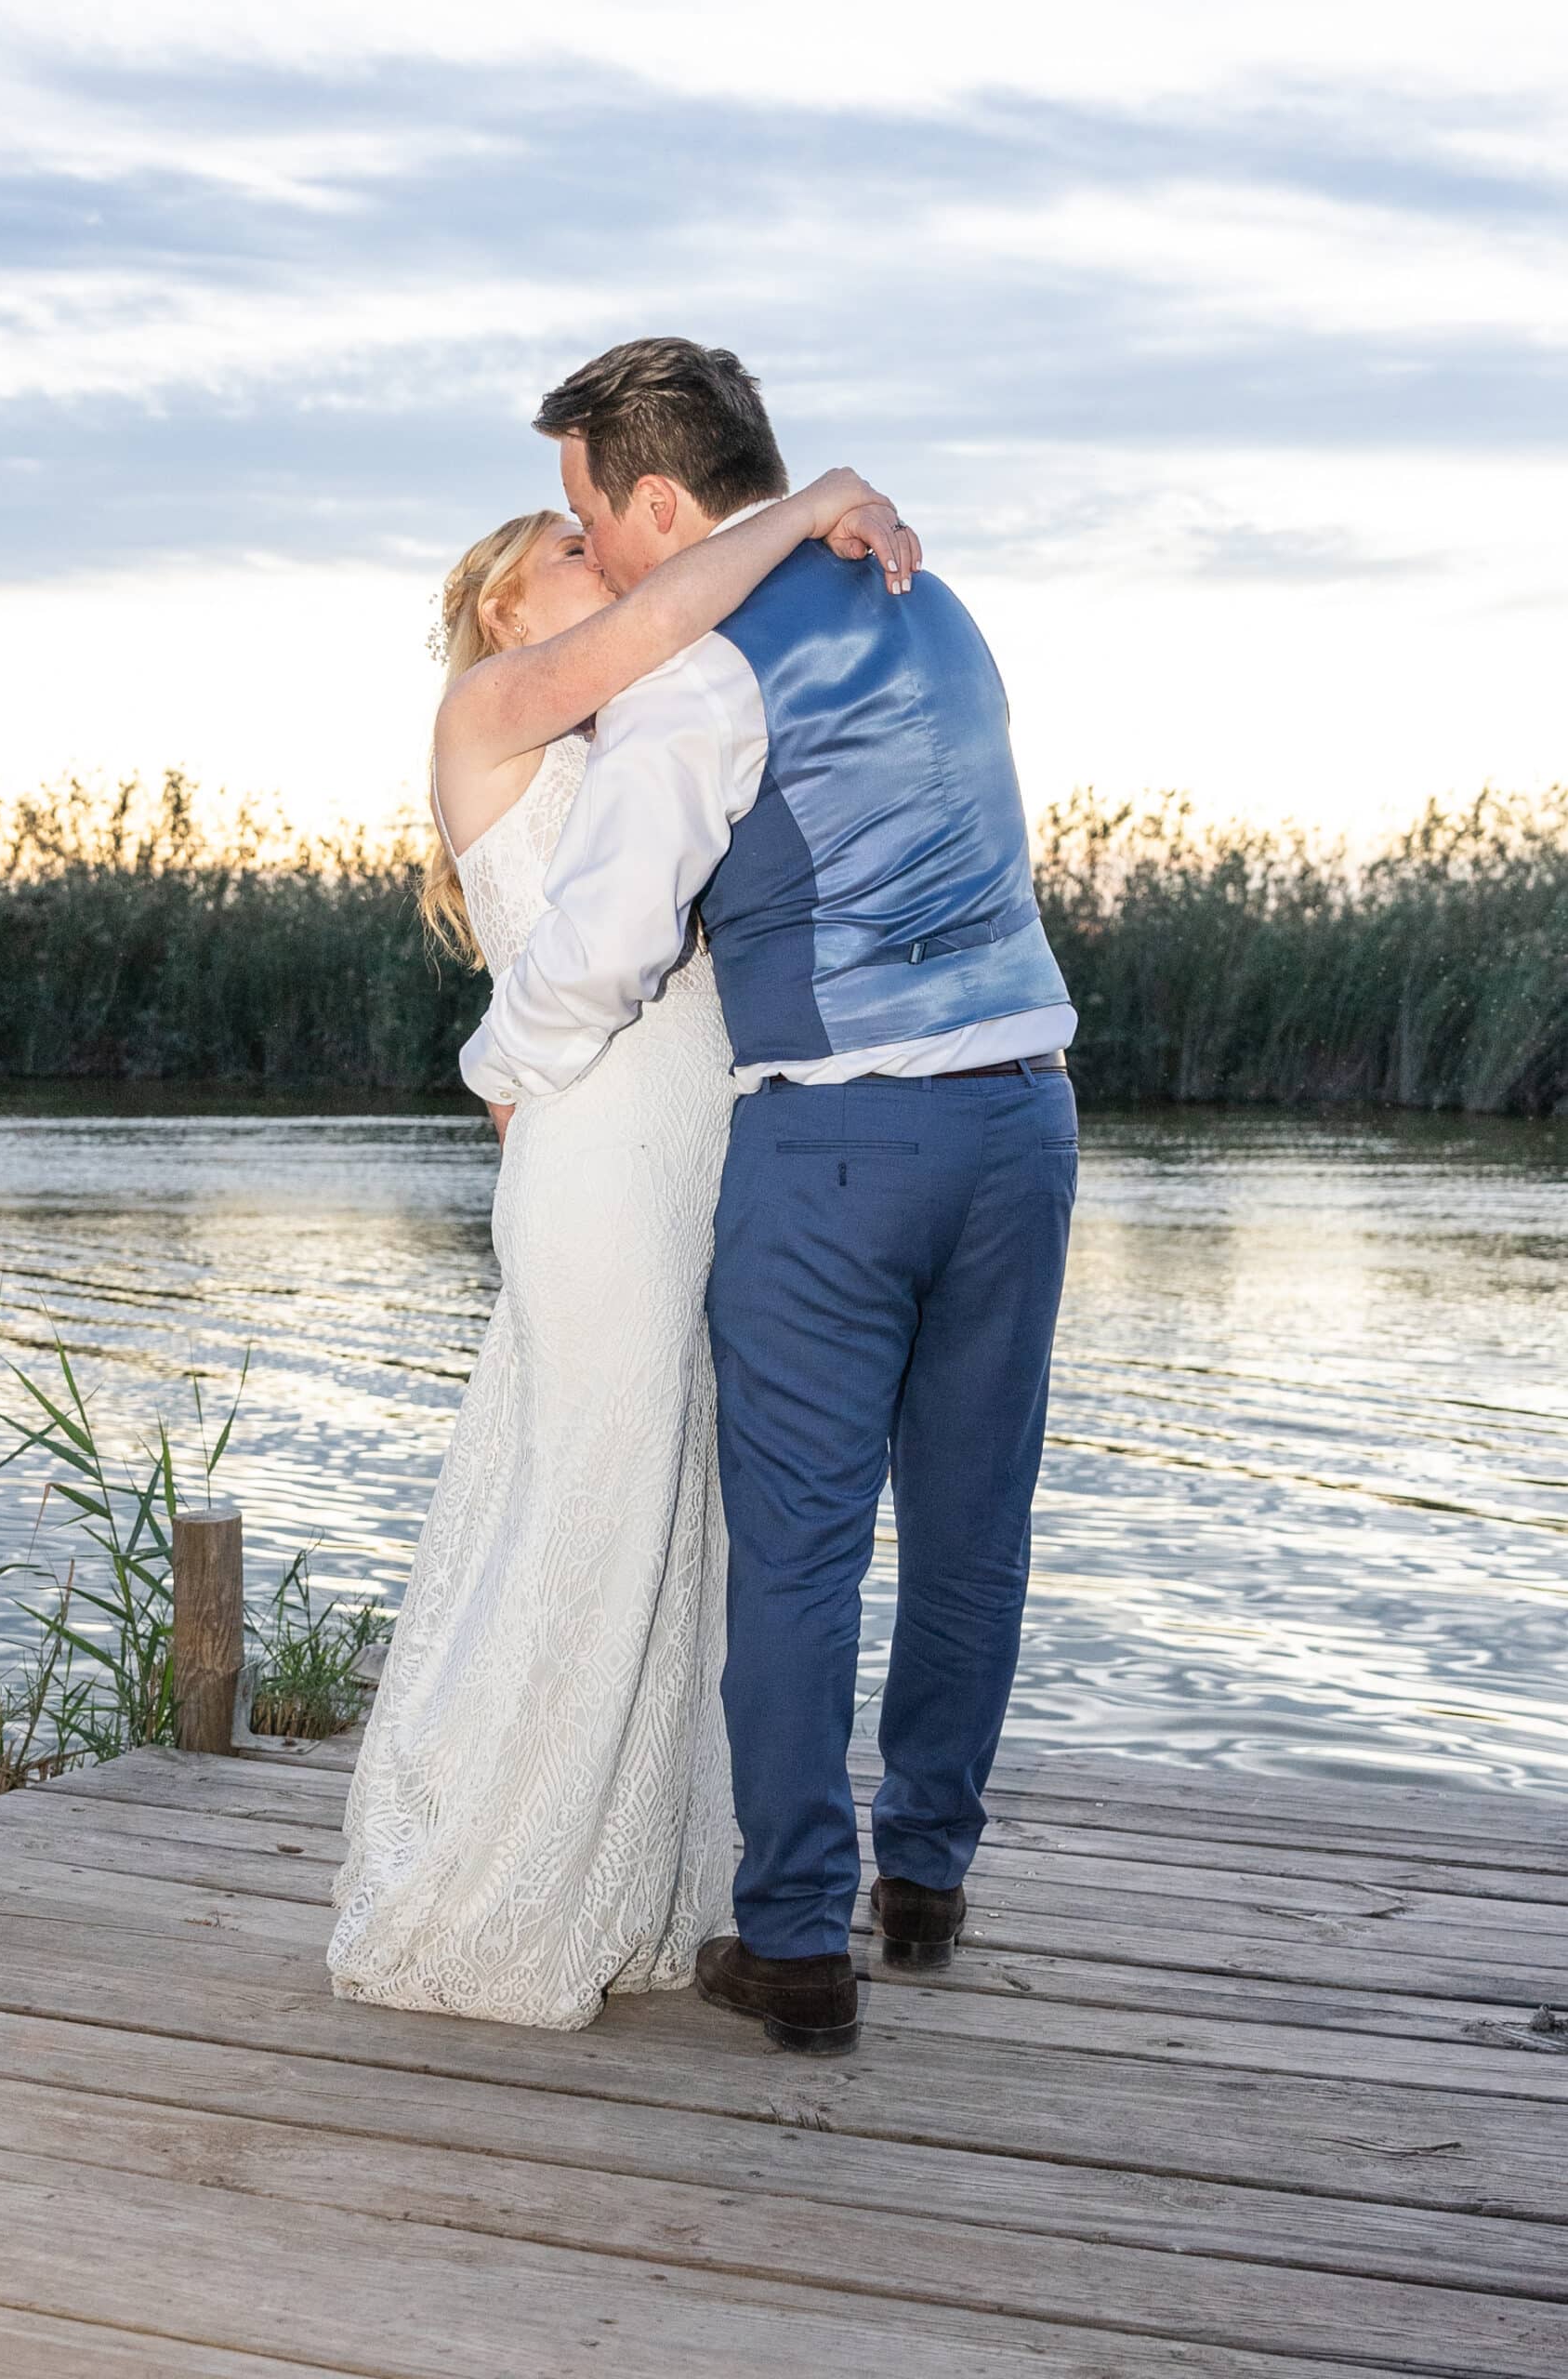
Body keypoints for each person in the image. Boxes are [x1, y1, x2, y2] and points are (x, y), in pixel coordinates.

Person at [463, 337, 1078, 2055]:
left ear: (659, 501)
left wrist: (498, 1064)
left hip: (838, 1142)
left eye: (592, 511)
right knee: (971, 1523)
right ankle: (927, 1877)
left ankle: (798, 1940)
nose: (595, 547)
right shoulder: (934, 605)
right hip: (1025, 1115)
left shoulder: (699, 674)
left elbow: (600, 950)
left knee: (796, 1550)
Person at [327, 466, 917, 2029]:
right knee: (590, 1500)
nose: (600, 555)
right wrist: (811, 503)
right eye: (567, 544)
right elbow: (674, 604)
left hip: (700, 1143)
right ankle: (492, 1896)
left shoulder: (642, 730)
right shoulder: (491, 706)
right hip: (594, 1154)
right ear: (501, 601)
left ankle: (634, 1883)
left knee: (676, 1511)